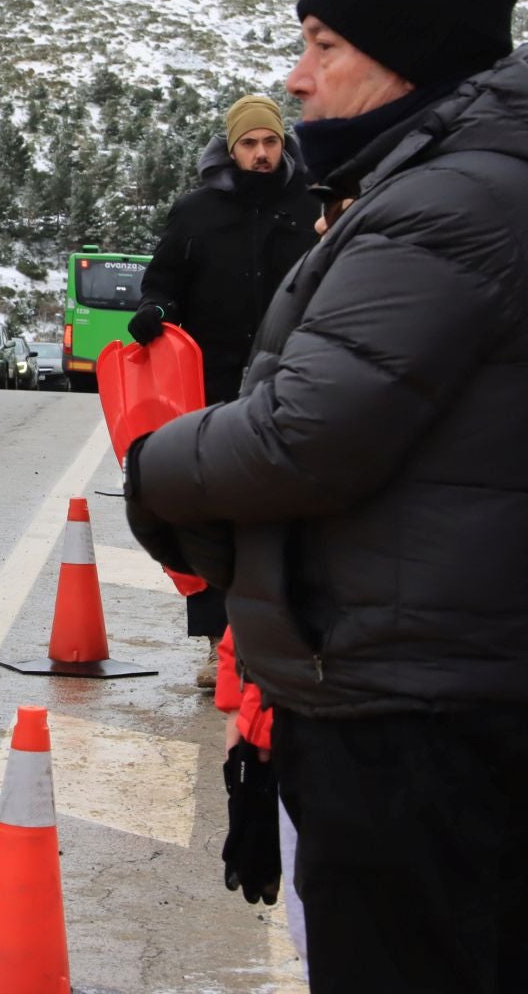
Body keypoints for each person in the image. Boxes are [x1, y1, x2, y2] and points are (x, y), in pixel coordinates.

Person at [123, 0, 528, 992]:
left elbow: (306, 434)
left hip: (411, 707)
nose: (298, 79)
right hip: (430, 678)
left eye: (324, 45)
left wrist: (155, 461)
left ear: (407, 58)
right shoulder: (465, 188)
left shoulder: (457, 203)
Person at [128, 94, 317, 686]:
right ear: (230, 149)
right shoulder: (196, 212)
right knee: (211, 506)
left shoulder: (311, 205)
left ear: (282, 145)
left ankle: (298, 636)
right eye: (249, 144)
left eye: (270, 142)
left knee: (297, 508)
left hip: (296, 379)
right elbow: (163, 282)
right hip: (211, 384)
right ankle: (219, 641)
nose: (261, 154)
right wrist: (155, 308)